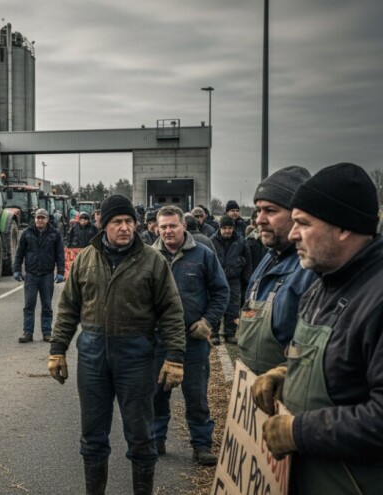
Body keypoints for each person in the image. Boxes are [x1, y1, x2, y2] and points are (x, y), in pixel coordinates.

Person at [252, 163, 383, 493]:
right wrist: (287, 374)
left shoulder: (376, 298)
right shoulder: (321, 285)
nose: (293, 234)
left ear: (343, 228)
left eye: (303, 223)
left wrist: (299, 431)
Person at [48, 195, 185, 495]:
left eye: (128, 222)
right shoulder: (85, 258)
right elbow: (69, 307)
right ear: (103, 224)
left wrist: (175, 356)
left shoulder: (153, 260)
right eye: (116, 222)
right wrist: (58, 349)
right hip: (93, 356)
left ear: (136, 225)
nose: (124, 228)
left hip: (136, 357)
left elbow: (172, 311)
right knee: (93, 437)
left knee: (140, 436)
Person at [151, 206, 228, 466]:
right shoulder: (149, 257)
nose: (168, 231)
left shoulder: (203, 255)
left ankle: (202, 444)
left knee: (196, 395)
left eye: (172, 225)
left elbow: (221, 291)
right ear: (156, 228)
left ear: (184, 225)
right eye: (163, 227)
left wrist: (207, 322)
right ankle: (156, 438)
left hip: (193, 341)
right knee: (157, 393)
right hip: (158, 340)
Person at [237, 166, 317, 375]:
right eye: (258, 210)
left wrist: (284, 376)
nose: (259, 220)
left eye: (271, 210)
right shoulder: (270, 258)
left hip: (288, 399)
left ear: (299, 215)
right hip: (257, 394)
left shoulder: (312, 269)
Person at [13, 208, 65, 343]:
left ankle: (47, 333)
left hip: (47, 275)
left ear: (47, 219)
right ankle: (27, 333)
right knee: (29, 304)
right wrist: (17, 270)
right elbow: (19, 253)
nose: (40, 220)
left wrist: (60, 272)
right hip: (31, 275)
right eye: (38, 217)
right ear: (34, 219)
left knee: (47, 305)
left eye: (43, 218)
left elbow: (60, 254)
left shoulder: (55, 234)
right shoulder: (26, 233)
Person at [211, 215, 251, 345]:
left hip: (234, 280)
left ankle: (230, 333)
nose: (227, 230)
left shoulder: (241, 241)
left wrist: (247, 279)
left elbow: (248, 261)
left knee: (233, 307)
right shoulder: (212, 241)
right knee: (215, 306)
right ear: (220, 228)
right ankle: (214, 333)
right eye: (224, 228)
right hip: (216, 280)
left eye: (230, 228)